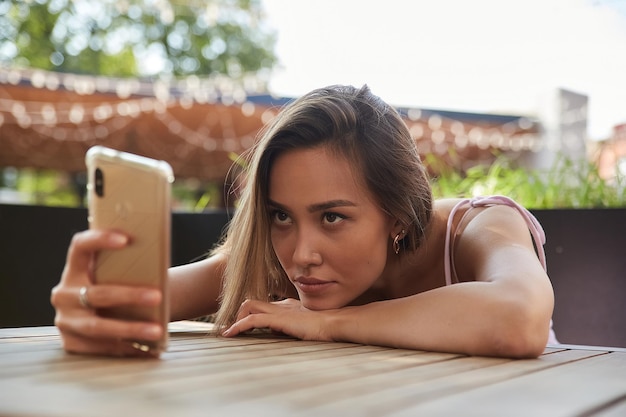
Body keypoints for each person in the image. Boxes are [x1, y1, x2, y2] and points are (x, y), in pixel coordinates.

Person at [51, 85, 556, 359]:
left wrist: (328, 323)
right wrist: (89, 302)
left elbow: (519, 320)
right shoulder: (283, 256)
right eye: (280, 216)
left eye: (332, 216)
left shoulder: (481, 225)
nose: (299, 254)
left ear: (399, 214)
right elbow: (142, 299)